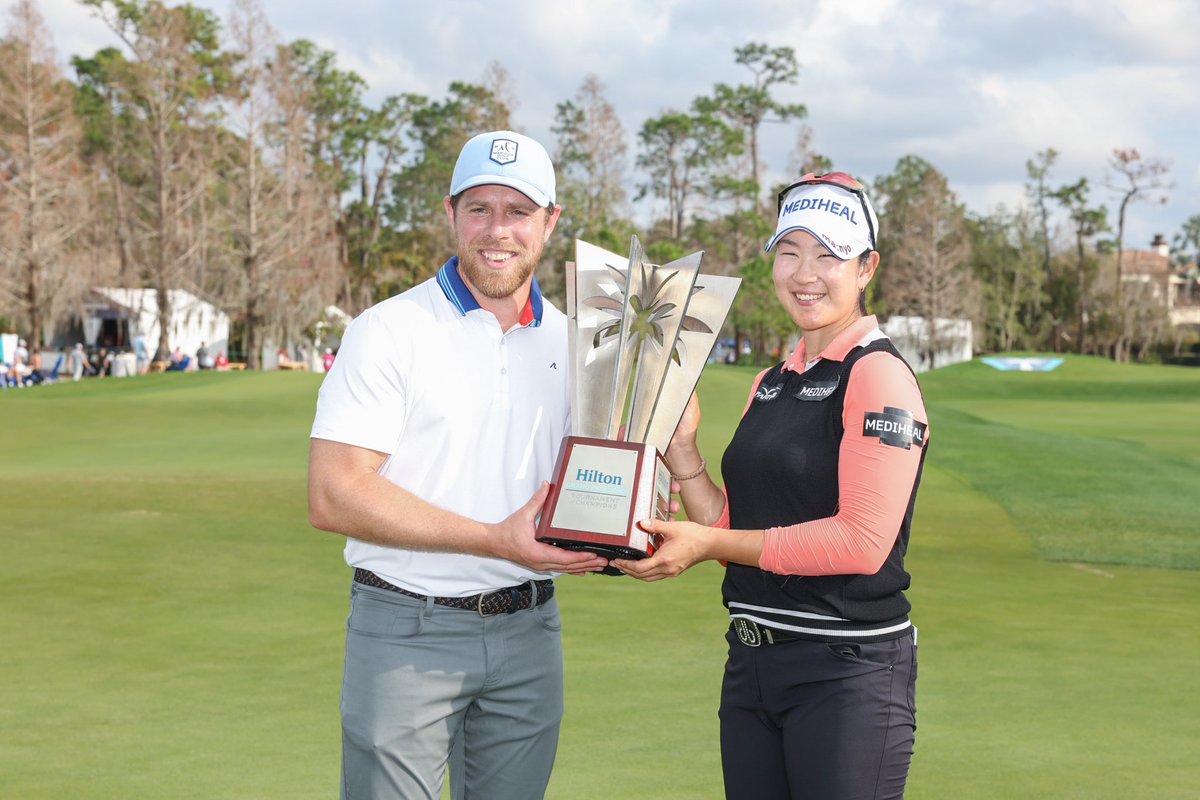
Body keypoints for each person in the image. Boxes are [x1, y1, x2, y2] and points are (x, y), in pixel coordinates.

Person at [307, 129, 608, 800]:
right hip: (407, 631)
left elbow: (593, 479)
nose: (497, 230)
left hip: (530, 631)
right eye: (480, 209)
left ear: (550, 223)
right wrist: (491, 539)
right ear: (450, 214)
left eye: (518, 211)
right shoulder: (389, 331)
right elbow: (334, 493)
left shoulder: (578, 341)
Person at [615, 172, 929, 800]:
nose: (805, 272)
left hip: (844, 674)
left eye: (828, 254)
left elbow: (861, 543)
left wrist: (705, 545)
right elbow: (736, 524)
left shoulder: (879, 376)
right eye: (790, 252)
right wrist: (683, 457)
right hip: (753, 665)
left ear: (866, 267)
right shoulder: (773, 380)